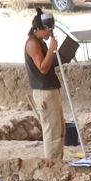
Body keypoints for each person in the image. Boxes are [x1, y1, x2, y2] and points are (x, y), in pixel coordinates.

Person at [24, 12, 64, 160]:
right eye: (48, 30)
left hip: (50, 89)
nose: (50, 33)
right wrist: (52, 49)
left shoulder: (40, 42)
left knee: (58, 129)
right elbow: (42, 68)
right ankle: (52, 163)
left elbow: (48, 63)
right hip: (44, 92)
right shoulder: (32, 44)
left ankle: (57, 161)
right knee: (52, 132)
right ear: (40, 28)